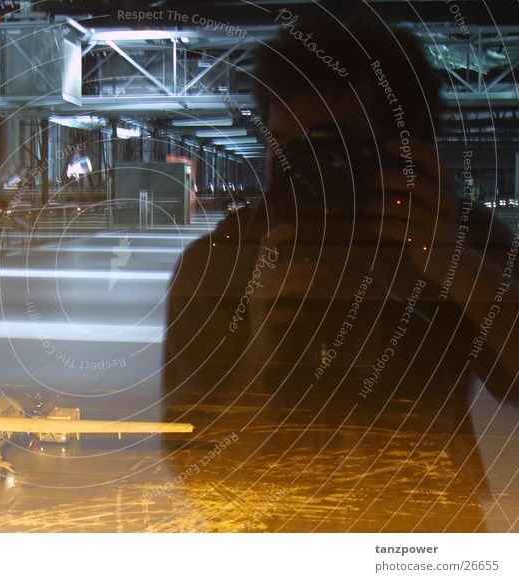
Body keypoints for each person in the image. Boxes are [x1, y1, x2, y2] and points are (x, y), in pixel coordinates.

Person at [162, 9, 519, 532]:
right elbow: (192, 456)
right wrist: (261, 343)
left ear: (409, 148)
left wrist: (454, 265)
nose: (308, 172)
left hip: (424, 530)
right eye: (289, 147)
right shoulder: (221, 259)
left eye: (335, 148)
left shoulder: (461, 239)